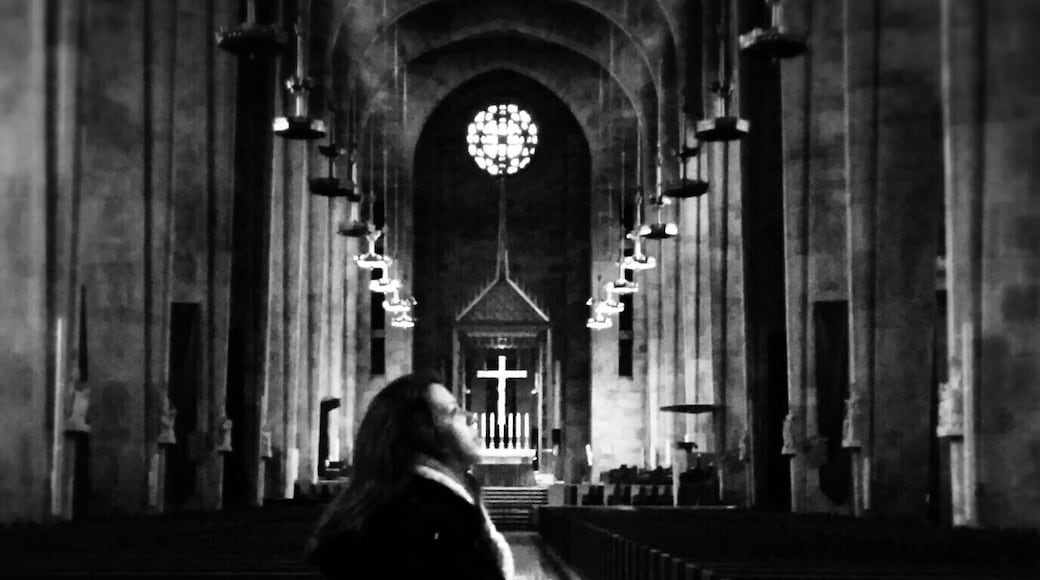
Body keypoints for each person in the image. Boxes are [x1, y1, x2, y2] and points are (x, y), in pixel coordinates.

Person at [307, 373, 514, 580]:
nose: (471, 416)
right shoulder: (429, 521)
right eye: (453, 412)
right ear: (422, 433)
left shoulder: (411, 504)